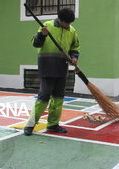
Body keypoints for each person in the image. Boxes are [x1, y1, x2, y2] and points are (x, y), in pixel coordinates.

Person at [24, 8, 80, 136]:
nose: (69, 26)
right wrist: (42, 35)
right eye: (67, 23)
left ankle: (53, 124)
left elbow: (75, 47)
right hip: (47, 67)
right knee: (43, 97)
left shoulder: (72, 31)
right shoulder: (47, 26)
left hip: (62, 68)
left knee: (58, 98)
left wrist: (74, 58)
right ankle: (31, 125)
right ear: (60, 20)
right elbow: (36, 44)